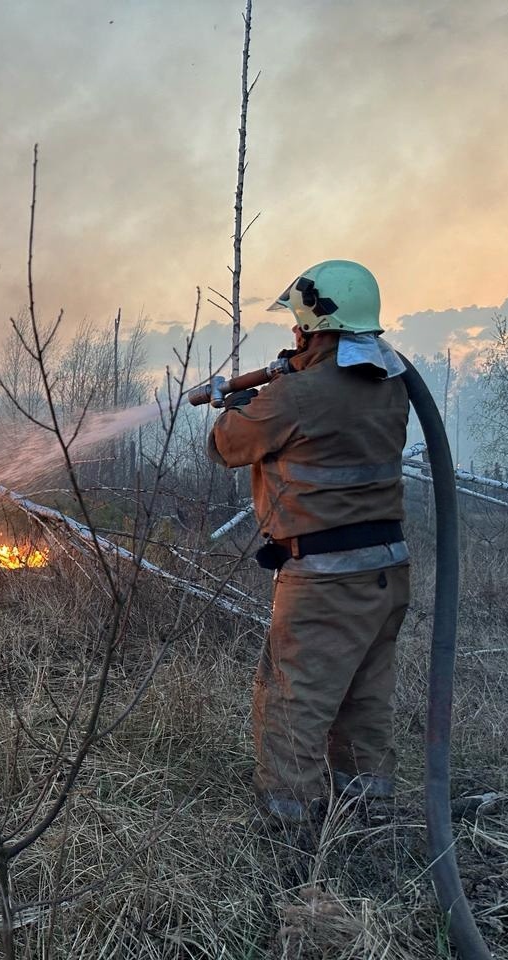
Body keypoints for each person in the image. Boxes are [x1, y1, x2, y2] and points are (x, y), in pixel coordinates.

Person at [207, 260, 411, 823]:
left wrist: (238, 403)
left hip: (324, 580)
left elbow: (226, 445)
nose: (293, 335)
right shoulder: (392, 387)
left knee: (292, 702)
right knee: (365, 700)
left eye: (298, 325)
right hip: (386, 573)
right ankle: (368, 819)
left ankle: (289, 836)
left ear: (318, 327)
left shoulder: (295, 396)